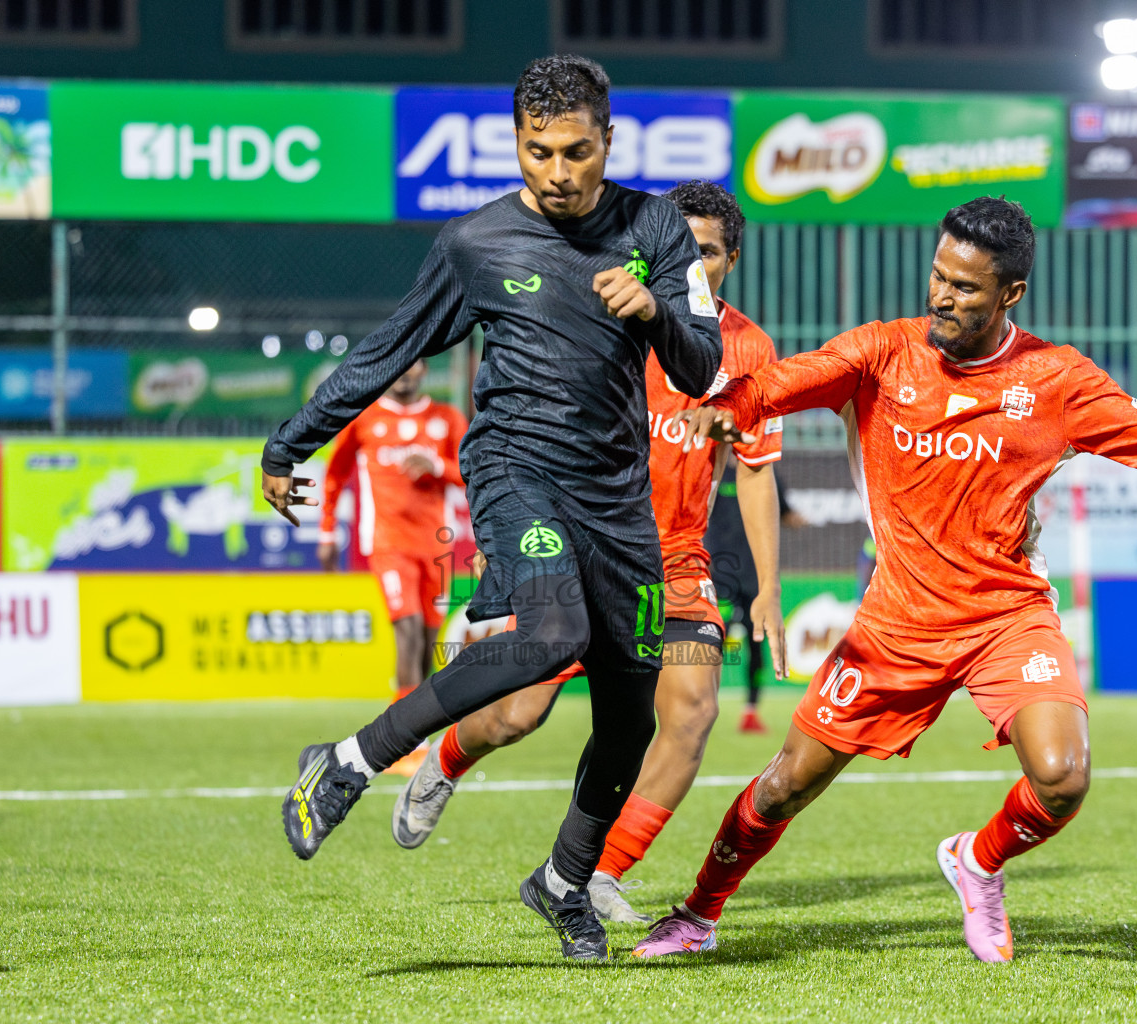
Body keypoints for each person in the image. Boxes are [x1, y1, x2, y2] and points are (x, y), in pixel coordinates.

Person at [632, 195, 1137, 963]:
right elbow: (775, 383)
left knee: (1063, 776)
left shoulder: (1057, 381)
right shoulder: (883, 351)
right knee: (783, 788)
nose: (942, 295)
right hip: (897, 622)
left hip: (1006, 615)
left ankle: (977, 861)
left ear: (1011, 293)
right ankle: (697, 915)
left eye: (966, 287)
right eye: (938, 276)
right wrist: (726, 406)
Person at [260, 55, 722, 960]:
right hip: (516, 472)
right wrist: (291, 442)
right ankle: (349, 761)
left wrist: (654, 315)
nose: (555, 171)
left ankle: (563, 883)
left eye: (576, 152)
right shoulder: (476, 243)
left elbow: (703, 365)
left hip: (619, 498)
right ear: (516, 143)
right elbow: (386, 348)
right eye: (536, 151)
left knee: (631, 712)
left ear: (608, 143)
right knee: (551, 635)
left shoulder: (657, 227)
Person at [387, 180, 788, 925]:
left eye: (707, 254)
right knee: (516, 717)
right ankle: (443, 763)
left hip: (675, 566)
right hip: (580, 543)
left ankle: (595, 871)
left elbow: (759, 471)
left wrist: (768, 586)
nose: (692, 265)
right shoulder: (598, 310)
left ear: (731, 260)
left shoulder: (748, 351)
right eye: (682, 248)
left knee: (693, 710)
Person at [315, 359, 468, 776]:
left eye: (413, 364)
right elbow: (335, 473)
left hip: (437, 544)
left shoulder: (446, 419)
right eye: (398, 364)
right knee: (409, 629)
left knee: (429, 640)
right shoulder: (365, 417)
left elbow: (474, 471)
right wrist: (327, 532)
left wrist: (437, 466)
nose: (405, 372)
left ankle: (406, 729)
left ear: (425, 370)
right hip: (387, 543)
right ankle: (404, 745)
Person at [705, 461, 804, 733]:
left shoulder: (763, 473)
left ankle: (750, 711)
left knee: (755, 641)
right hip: (719, 574)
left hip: (755, 577)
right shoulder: (713, 471)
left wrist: (798, 519)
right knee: (712, 642)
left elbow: (783, 512)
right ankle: (700, 703)